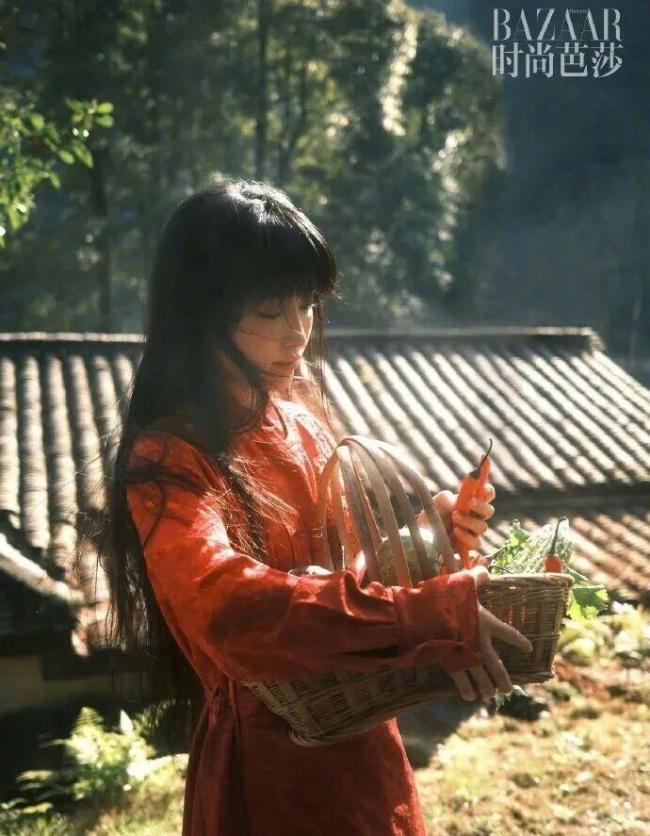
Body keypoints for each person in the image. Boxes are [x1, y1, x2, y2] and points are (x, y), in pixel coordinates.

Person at [103, 179, 532, 836]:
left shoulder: (300, 425)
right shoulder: (169, 460)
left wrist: (431, 535)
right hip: (269, 776)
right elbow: (226, 607)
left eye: (306, 305)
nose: (299, 332)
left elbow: (349, 578)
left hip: (365, 747)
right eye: (271, 309)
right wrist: (427, 613)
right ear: (200, 311)